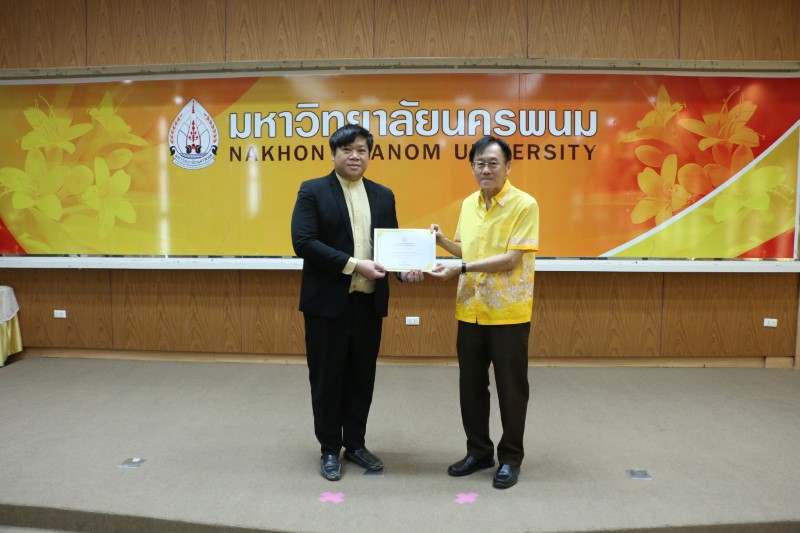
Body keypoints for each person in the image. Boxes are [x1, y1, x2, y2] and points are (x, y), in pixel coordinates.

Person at [291, 123, 422, 481]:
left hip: (368, 305)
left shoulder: (383, 195)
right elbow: (303, 242)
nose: (354, 156)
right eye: (347, 149)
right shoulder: (313, 190)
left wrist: (405, 271)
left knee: (362, 377)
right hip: (327, 306)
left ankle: (356, 443)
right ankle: (329, 449)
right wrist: (353, 265)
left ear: (370, 155)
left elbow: (391, 247)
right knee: (327, 378)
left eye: (362, 150)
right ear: (333, 153)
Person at [429, 135, 539, 489]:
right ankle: (478, 452)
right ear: (472, 167)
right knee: (471, 387)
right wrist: (442, 242)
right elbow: (467, 250)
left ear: (508, 166)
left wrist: (461, 268)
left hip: (507, 313)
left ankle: (510, 458)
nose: (486, 169)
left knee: (511, 390)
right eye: (480, 163)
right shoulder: (468, 204)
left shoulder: (525, 204)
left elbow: (511, 259)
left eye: (493, 163)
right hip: (470, 310)